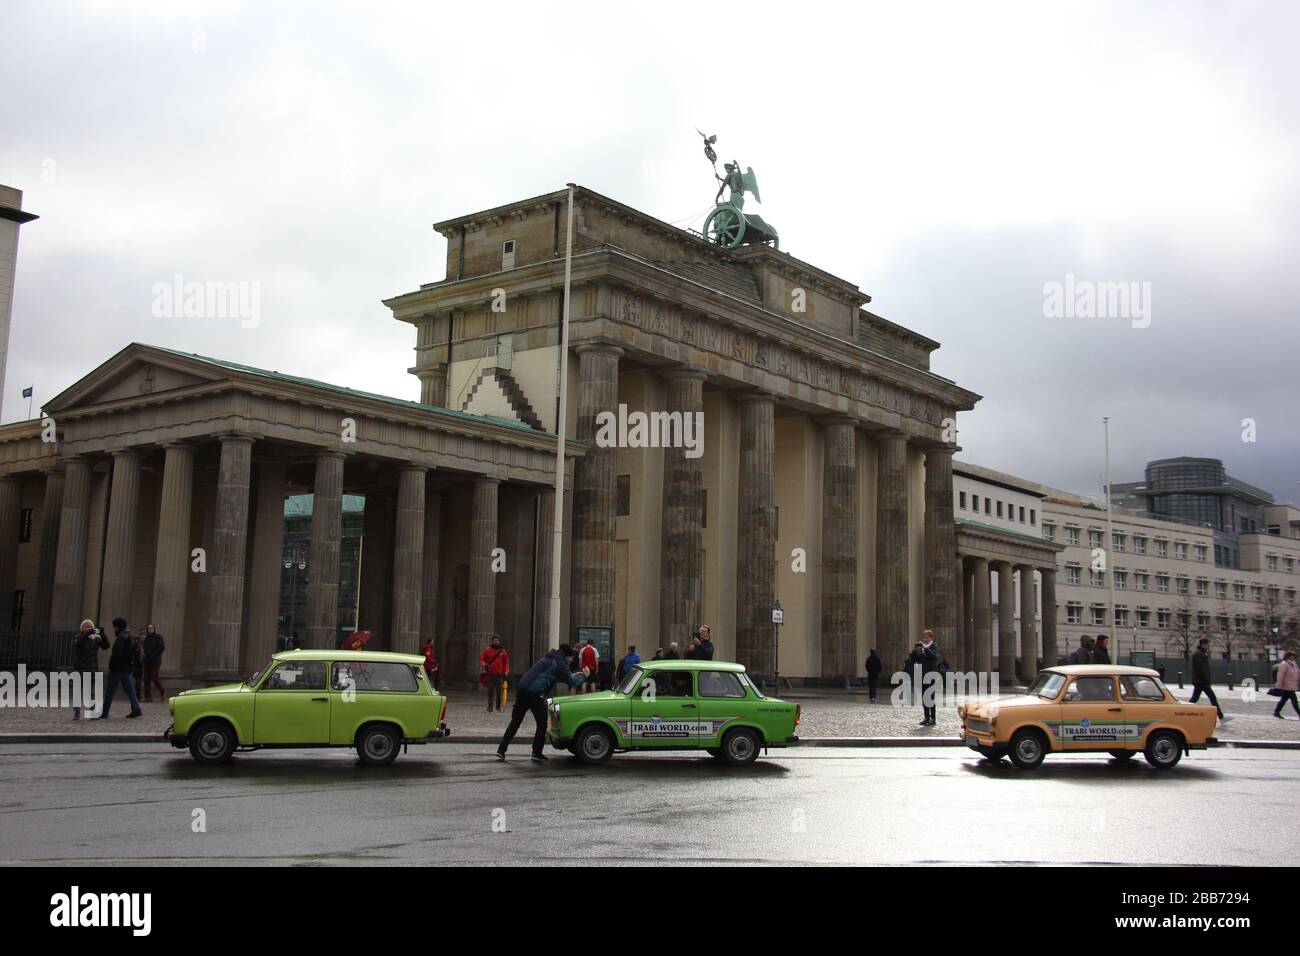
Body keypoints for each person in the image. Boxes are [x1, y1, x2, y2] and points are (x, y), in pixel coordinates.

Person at [496, 644, 588, 762]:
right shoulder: (560, 663)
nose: (571, 660)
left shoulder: (549, 658)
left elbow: (554, 675)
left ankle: (501, 750)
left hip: (522, 690)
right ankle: (537, 752)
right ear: (566, 656)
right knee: (542, 723)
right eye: (571, 657)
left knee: (515, 722)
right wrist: (585, 676)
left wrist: (573, 675)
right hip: (534, 694)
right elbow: (572, 681)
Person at [99, 617, 143, 719]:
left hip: (117, 669)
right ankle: (136, 709)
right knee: (130, 690)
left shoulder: (121, 638)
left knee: (110, 692)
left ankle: (105, 713)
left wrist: (111, 665)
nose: (113, 629)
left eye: (114, 627)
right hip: (127, 669)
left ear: (117, 627)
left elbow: (116, 654)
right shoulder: (130, 637)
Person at [71, 619, 108, 720]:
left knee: (91, 693)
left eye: (90, 626)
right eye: (86, 626)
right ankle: (77, 712)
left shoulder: (95, 639)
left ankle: (93, 712)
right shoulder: (77, 637)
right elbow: (78, 644)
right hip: (79, 669)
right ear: (82, 628)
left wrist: (103, 634)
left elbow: (106, 646)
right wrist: (87, 634)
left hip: (91, 669)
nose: (89, 628)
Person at [1189, 637, 1224, 720]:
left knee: (1195, 698)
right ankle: (1221, 717)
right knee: (1212, 697)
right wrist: (1206, 680)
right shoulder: (1199, 654)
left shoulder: (1201, 653)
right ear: (1203, 644)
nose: (1209, 646)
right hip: (1201, 681)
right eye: (1208, 644)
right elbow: (1201, 669)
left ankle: (1182, 711)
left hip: (1200, 681)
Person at [912, 629, 941, 725]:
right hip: (922, 675)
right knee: (924, 697)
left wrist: (925, 647)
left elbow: (934, 656)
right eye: (923, 637)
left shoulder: (934, 646)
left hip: (931, 675)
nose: (924, 639)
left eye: (926, 637)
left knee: (930, 697)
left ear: (931, 638)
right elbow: (915, 660)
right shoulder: (922, 648)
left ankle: (933, 718)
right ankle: (926, 717)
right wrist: (914, 650)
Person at [479, 636, 510, 712]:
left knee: (499, 692)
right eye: (494, 640)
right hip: (490, 674)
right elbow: (482, 659)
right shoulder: (487, 650)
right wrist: (484, 664)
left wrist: (506, 671)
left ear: (499, 642)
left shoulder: (503, 652)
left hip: (499, 675)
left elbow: (506, 663)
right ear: (492, 641)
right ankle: (490, 707)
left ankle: (498, 706)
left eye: (497, 641)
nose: (496, 642)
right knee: (490, 691)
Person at [140, 624, 166, 702]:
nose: (150, 629)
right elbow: (144, 648)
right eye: (149, 628)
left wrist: (153, 655)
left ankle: (162, 691)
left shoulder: (158, 637)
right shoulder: (146, 638)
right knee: (146, 679)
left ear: (154, 629)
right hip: (147, 661)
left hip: (155, 661)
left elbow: (161, 647)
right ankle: (148, 697)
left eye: (151, 628)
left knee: (154, 677)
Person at [1273, 651, 1300, 720]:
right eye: (1292, 656)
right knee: (1294, 701)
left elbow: (1297, 673)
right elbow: (1280, 675)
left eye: (1294, 656)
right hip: (1287, 686)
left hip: (1292, 685)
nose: (1294, 657)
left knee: (1283, 700)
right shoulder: (1284, 664)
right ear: (1288, 656)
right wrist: (1279, 685)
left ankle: (1276, 712)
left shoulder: (1294, 664)